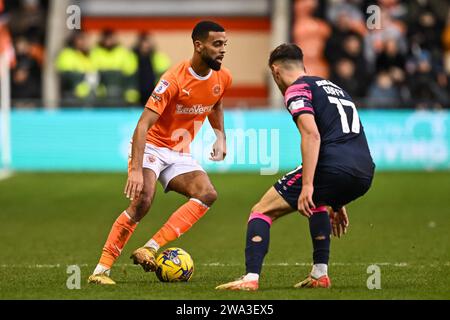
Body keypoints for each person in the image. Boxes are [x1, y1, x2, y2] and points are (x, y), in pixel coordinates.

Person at [216, 43, 374, 291]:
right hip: (364, 172)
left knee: (261, 211)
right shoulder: (335, 88)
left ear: (275, 72)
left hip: (334, 166)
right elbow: (344, 136)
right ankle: (319, 275)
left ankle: (250, 279)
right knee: (318, 203)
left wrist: (309, 185)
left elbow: (311, 135)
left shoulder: (296, 89)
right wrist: (337, 200)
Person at [88, 21, 232, 285]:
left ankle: (150, 248)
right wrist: (135, 169)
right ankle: (101, 271)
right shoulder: (174, 79)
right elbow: (143, 124)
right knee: (143, 201)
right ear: (198, 46)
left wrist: (220, 136)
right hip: (153, 145)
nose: (223, 50)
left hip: (179, 151)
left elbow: (216, 103)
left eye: (225, 44)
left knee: (207, 194)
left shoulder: (222, 77)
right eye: (217, 44)